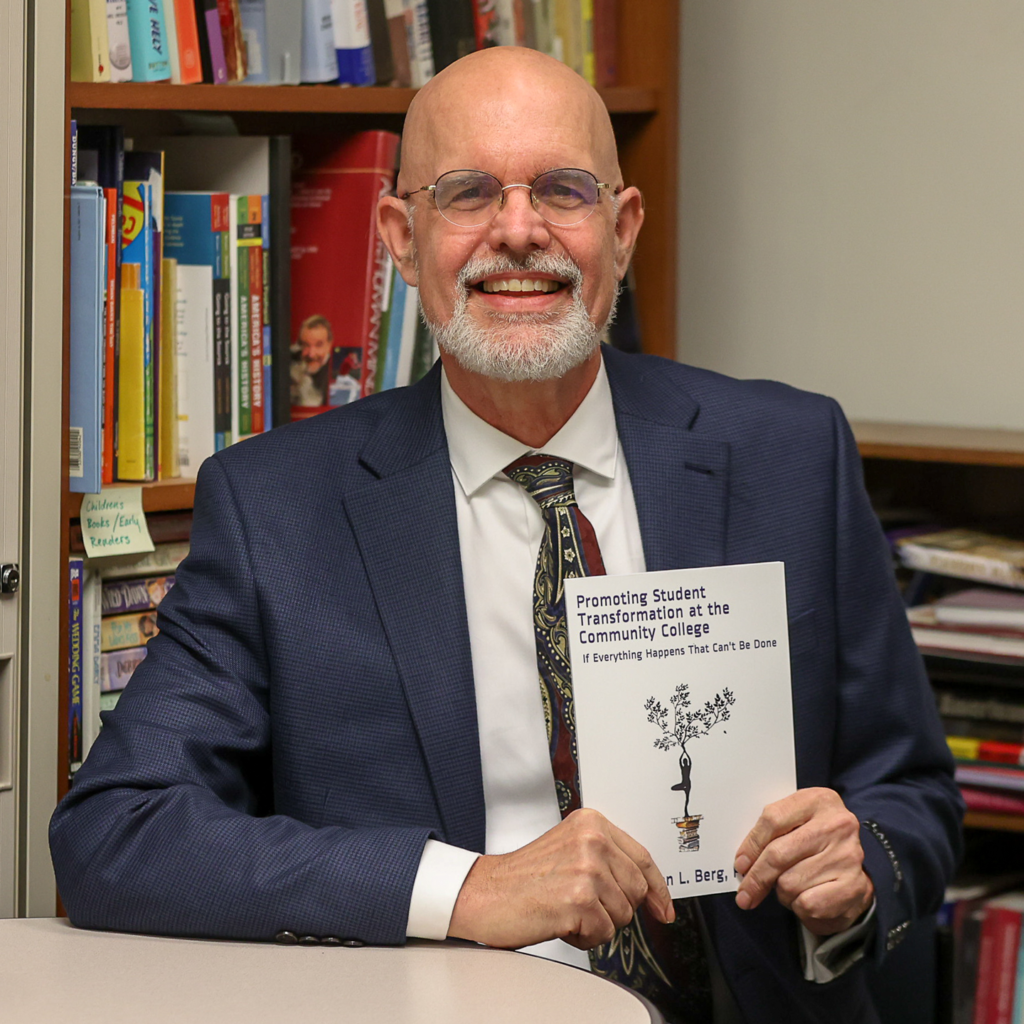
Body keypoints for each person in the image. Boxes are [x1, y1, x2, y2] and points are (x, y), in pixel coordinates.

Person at [50, 48, 962, 1024]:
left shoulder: (790, 455)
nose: (518, 231)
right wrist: (465, 889)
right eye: (469, 192)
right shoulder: (276, 511)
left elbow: (907, 793)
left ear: (622, 229)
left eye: (564, 191)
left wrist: (858, 863)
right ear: (401, 237)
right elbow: (117, 830)